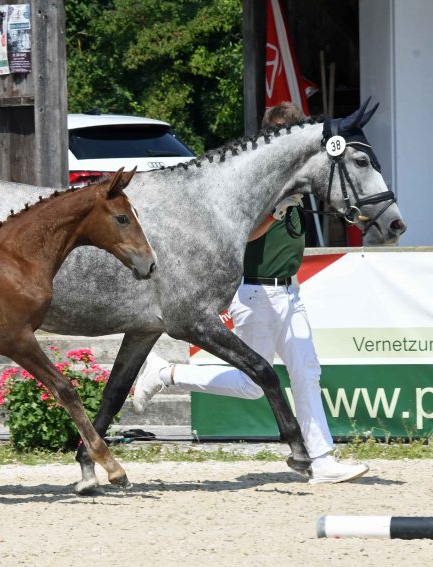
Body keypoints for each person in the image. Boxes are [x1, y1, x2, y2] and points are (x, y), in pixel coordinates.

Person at [132, 102, 369, 485]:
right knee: (250, 385)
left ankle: (322, 460)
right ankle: (167, 373)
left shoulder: (291, 182)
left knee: (307, 372)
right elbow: (243, 235)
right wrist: (276, 213)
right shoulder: (259, 186)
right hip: (257, 293)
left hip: (289, 292)